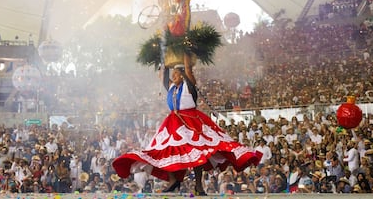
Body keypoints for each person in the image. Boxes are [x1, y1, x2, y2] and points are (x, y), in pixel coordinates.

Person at [112, 54, 262, 195]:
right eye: (173, 74)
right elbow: (163, 75)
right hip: (173, 123)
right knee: (165, 151)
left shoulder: (189, 86)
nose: (173, 76)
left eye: (176, 74)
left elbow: (189, 70)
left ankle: (198, 184)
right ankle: (173, 180)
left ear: (183, 74)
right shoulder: (171, 88)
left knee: (197, 152)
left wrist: (183, 51)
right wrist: (163, 56)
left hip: (191, 121)